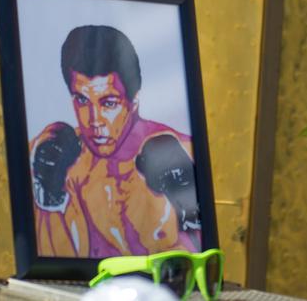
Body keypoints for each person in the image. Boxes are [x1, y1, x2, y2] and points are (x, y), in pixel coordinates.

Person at [31, 25, 201, 258]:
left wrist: (190, 208)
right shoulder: (54, 155)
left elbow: (203, 271)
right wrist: (48, 199)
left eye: (108, 103)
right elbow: (48, 271)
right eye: (82, 100)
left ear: (134, 100)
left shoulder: (183, 153)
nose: (94, 121)